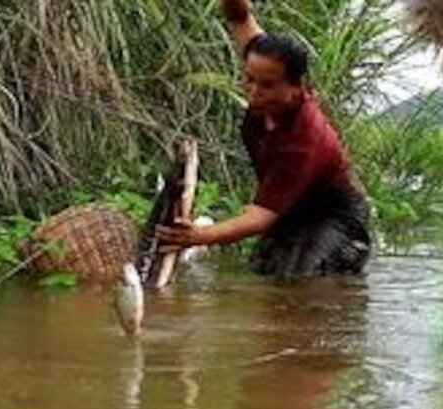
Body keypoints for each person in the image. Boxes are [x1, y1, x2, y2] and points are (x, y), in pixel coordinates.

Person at [158, 0, 371, 279]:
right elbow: (239, 16)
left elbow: (262, 217)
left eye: (267, 85)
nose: (254, 92)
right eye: (249, 79)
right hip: (291, 209)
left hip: (334, 216)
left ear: (297, 87)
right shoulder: (264, 59)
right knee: (263, 273)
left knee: (300, 285)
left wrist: (201, 235)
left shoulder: (306, 138)